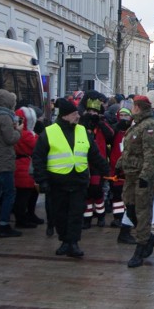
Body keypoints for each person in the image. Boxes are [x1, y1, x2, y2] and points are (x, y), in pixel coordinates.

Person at [32, 98, 110, 257]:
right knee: (60, 214)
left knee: (76, 214)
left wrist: (106, 170)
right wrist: (42, 180)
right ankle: (64, 241)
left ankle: (73, 243)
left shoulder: (82, 131)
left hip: (79, 181)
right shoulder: (50, 132)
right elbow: (38, 158)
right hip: (57, 182)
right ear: (65, 115)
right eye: (75, 114)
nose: (78, 116)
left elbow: (94, 154)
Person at [117, 95, 154, 268]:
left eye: (132, 106)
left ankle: (141, 246)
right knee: (130, 208)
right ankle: (148, 237)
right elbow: (129, 149)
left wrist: (145, 177)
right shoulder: (136, 124)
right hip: (131, 174)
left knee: (142, 211)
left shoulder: (149, 126)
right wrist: (119, 165)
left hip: (143, 176)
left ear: (138, 107)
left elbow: (152, 155)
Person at [78, 91, 113, 228]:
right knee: (86, 192)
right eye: (90, 111)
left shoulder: (102, 124)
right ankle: (87, 218)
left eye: (95, 111)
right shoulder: (82, 124)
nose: (92, 113)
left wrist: (101, 122)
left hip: (99, 163)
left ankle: (100, 216)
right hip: (85, 162)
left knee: (96, 190)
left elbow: (111, 135)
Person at [0, 89, 23, 237]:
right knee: (9, 193)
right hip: (4, 161)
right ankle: (4, 225)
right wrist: (19, 131)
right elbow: (10, 139)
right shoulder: (4, 117)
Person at [13, 107, 40, 228]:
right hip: (25, 165)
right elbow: (37, 145)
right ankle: (22, 219)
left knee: (31, 193)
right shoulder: (25, 134)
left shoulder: (22, 132)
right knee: (24, 195)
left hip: (25, 164)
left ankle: (29, 215)